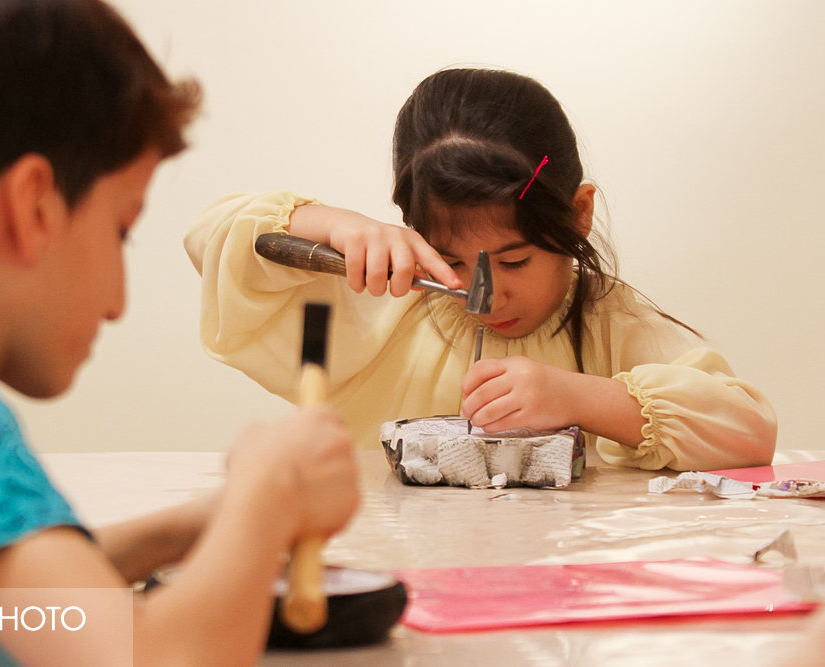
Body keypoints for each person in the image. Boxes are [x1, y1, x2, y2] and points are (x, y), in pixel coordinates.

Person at [0, 1, 359, 665]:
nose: (118, 303)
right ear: (33, 208)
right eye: (120, 230)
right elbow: (156, 657)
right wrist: (269, 491)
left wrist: (196, 524)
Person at [185, 67, 776, 472]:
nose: (482, 294)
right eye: (455, 261)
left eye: (514, 259)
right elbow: (210, 238)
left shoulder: (609, 321)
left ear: (578, 215)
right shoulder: (385, 305)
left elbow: (748, 429)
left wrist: (581, 398)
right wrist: (330, 222)